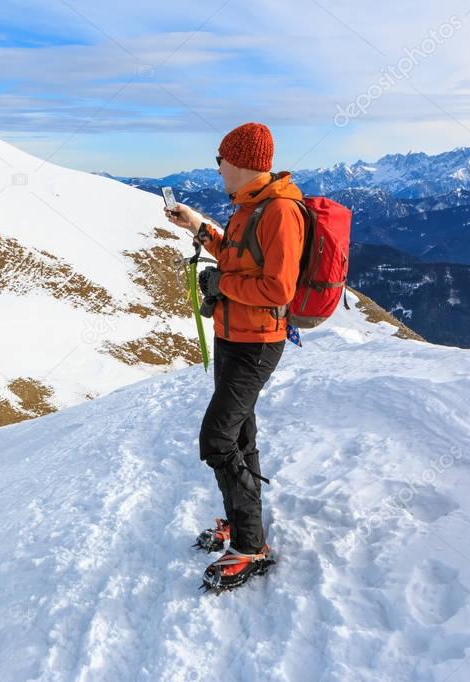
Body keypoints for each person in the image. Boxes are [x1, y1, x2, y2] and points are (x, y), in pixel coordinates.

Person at [165, 122, 305, 590]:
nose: (218, 167)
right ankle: (243, 525)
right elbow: (238, 259)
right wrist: (201, 229)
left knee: (217, 439)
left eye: (220, 159)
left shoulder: (280, 211)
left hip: (257, 343)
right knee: (240, 431)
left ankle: (251, 545)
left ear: (241, 163)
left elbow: (278, 288)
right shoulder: (250, 207)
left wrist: (221, 285)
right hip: (233, 335)